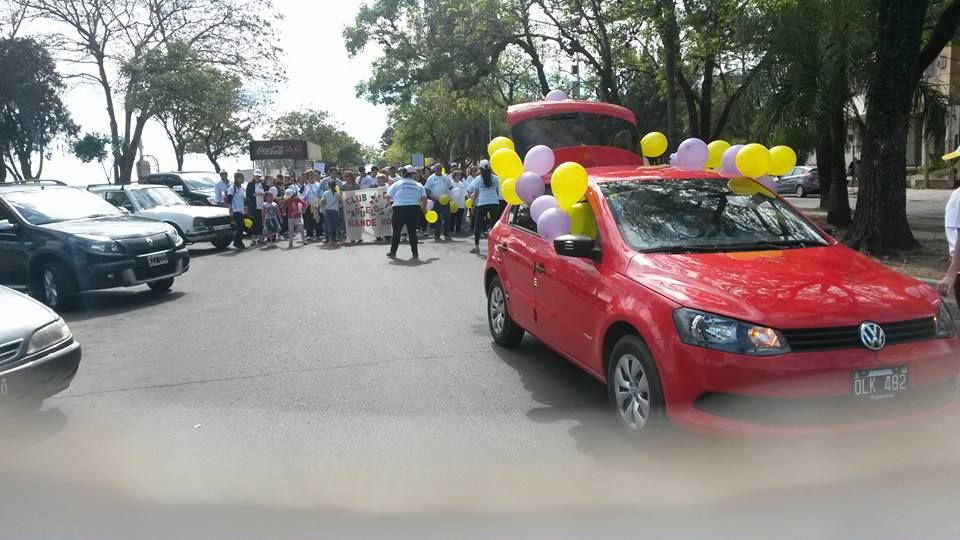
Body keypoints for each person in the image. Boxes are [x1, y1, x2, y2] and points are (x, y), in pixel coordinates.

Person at [387, 166, 427, 259]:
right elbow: (424, 198)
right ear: (412, 174)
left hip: (399, 208)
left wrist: (391, 203)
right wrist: (424, 209)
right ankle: (415, 253)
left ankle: (393, 252)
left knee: (396, 232)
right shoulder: (418, 184)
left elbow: (388, 196)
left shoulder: (397, 184)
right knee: (412, 232)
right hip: (413, 208)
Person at [468, 165, 501, 254]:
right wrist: (495, 200)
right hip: (494, 202)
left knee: (478, 225)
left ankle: (477, 247)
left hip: (483, 203)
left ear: (481, 169)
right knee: (494, 226)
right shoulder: (495, 178)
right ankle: (494, 247)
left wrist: (472, 205)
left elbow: (476, 193)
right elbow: (497, 191)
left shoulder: (478, 179)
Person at [424, 163, 453, 241]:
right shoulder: (431, 178)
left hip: (445, 201)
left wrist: (449, 190)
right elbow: (427, 188)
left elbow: (450, 186)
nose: (438, 170)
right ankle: (437, 235)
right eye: (437, 168)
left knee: (447, 217)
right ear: (434, 169)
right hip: (436, 201)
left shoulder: (445, 177)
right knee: (437, 218)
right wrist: (431, 196)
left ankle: (446, 234)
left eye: (440, 168)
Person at [227, 172, 246, 250]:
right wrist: (230, 210)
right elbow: (229, 199)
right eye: (241, 178)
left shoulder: (242, 188)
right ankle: (238, 242)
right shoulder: (232, 188)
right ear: (237, 178)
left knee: (242, 227)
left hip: (241, 210)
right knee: (240, 226)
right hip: (235, 210)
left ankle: (238, 242)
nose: (243, 179)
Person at [321, 179, 343, 245]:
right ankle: (339, 238)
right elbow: (341, 202)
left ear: (328, 186)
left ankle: (331, 240)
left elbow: (322, 202)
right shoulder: (337, 193)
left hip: (327, 210)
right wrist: (339, 205)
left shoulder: (325, 193)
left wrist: (322, 209)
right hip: (335, 210)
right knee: (336, 225)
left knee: (329, 225)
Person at [246, 171, 265, 244]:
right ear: (254, 176)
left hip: (261, 205)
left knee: (260, 222)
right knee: (253, 222)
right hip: (253, 206)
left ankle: (260, 238)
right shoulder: (250, 184)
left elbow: (266, 192)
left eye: (259, 176)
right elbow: (248, 194)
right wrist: (255, 194)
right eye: (256, 176)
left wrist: (263, 193)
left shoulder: (262, 184)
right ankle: (253, 239)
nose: (258, 178)